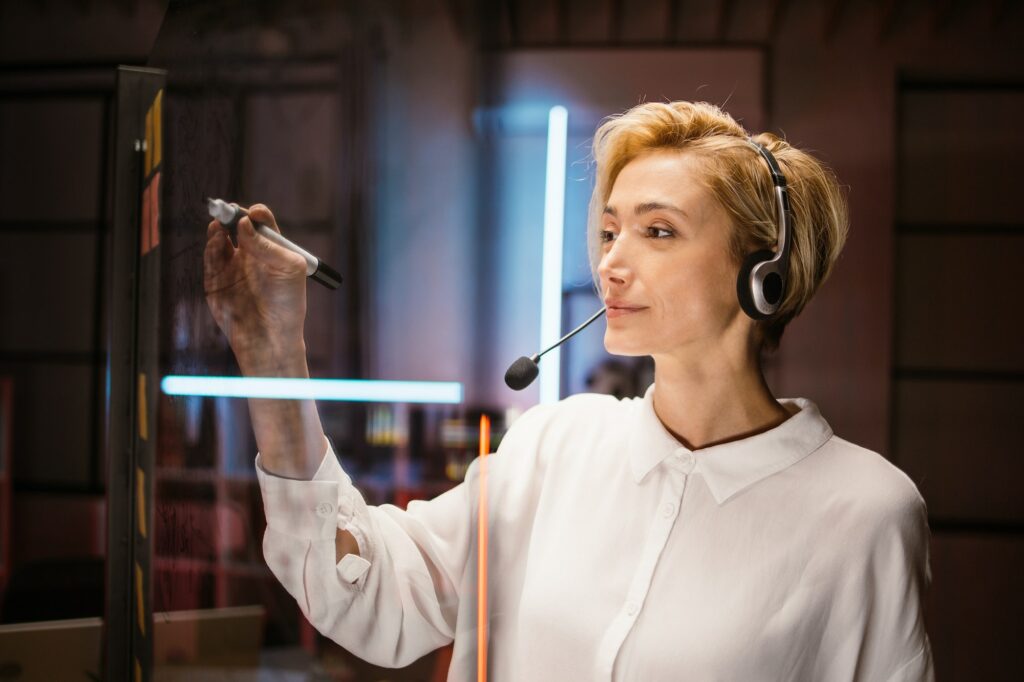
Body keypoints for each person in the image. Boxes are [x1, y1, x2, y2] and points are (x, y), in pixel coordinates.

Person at [204, 100, 934, 681]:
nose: (611, 263)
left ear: (761, 273)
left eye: (658, 231)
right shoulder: (554, 446)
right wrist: (272, 359)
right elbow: (366, 594)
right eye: (612, 231)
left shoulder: (864, 513)